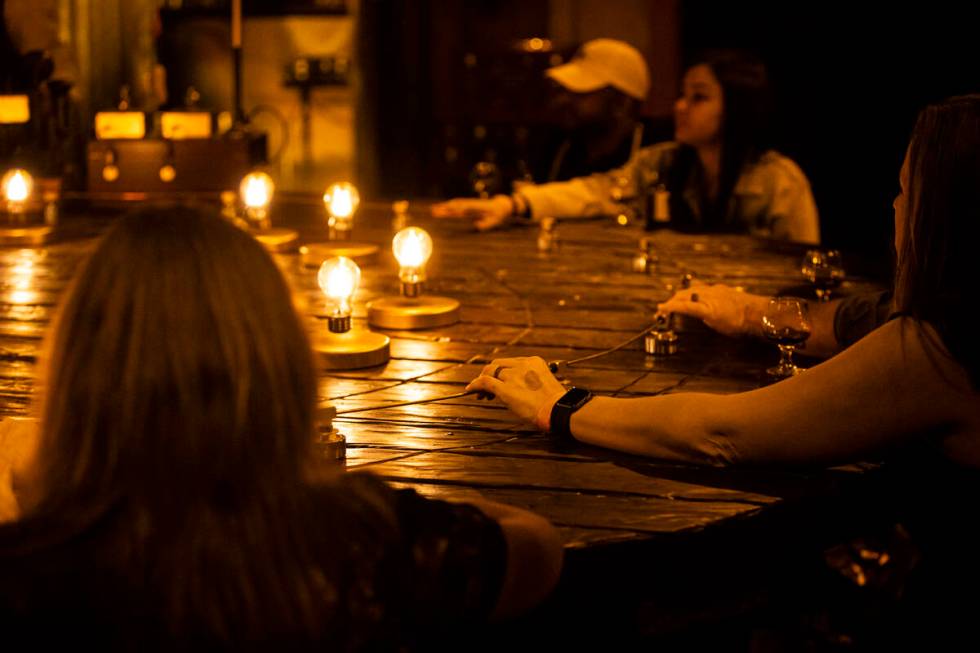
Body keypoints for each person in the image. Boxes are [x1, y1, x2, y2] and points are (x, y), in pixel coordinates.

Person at [466, 94, 980, 645]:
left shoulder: (941, 351)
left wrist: (561, 405)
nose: (895, 207)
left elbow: (724, 434)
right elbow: (852, 318)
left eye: (906, 192)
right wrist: (746, 310)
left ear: (944, 215)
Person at [0, 206, 562, 649]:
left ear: (78, 374)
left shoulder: (27, 577)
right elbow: (536, 548)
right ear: (281, 365)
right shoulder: (372, 542)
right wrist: (371, 499)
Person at [433, 49, 820, 244]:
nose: (680, 107)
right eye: (682, 95)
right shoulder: (662, 163)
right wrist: (510, 203)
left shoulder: (778, 182)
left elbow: (804, 274)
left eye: (698, 97)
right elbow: (596, 192)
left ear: (736, 108)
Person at [537, 38, 651, 183]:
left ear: (621, 102)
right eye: (564, 90)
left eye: (581, 92)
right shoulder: (557, 147)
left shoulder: (654, 155)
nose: (563, 100)